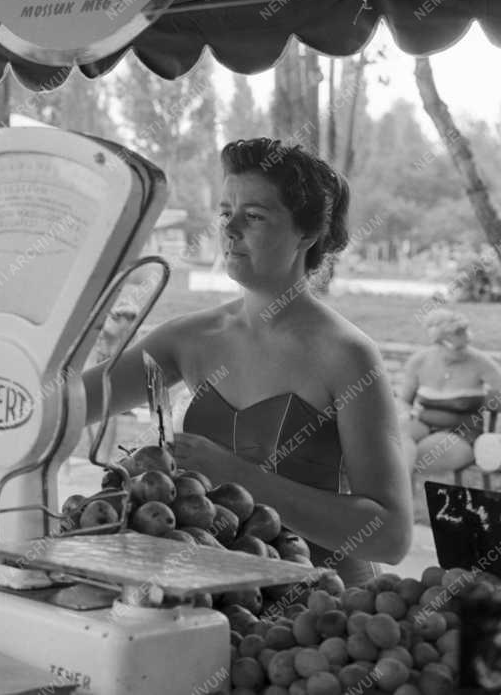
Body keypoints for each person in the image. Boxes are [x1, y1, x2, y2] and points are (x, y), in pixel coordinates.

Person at [82, 138, 412, 586]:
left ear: (306, 234)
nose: (230, 228)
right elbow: (67, 404)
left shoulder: (347, 355)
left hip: (324, 602)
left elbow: (392, 535)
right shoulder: (189, 338)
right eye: (225, 213)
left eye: (254, 216)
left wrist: (238, 475)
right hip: (218, 597)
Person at [398, 308, 501, 474]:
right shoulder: (419, 362)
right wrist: (406, 413)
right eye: (457, 347)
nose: (464, 350)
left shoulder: (481, 362)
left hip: (462, 432)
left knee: (417, 456)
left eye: (466, 344)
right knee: (395, 436)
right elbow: (404, 400)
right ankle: (400, 489)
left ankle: (399, 489)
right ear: (438, 343)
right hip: (423, 423)